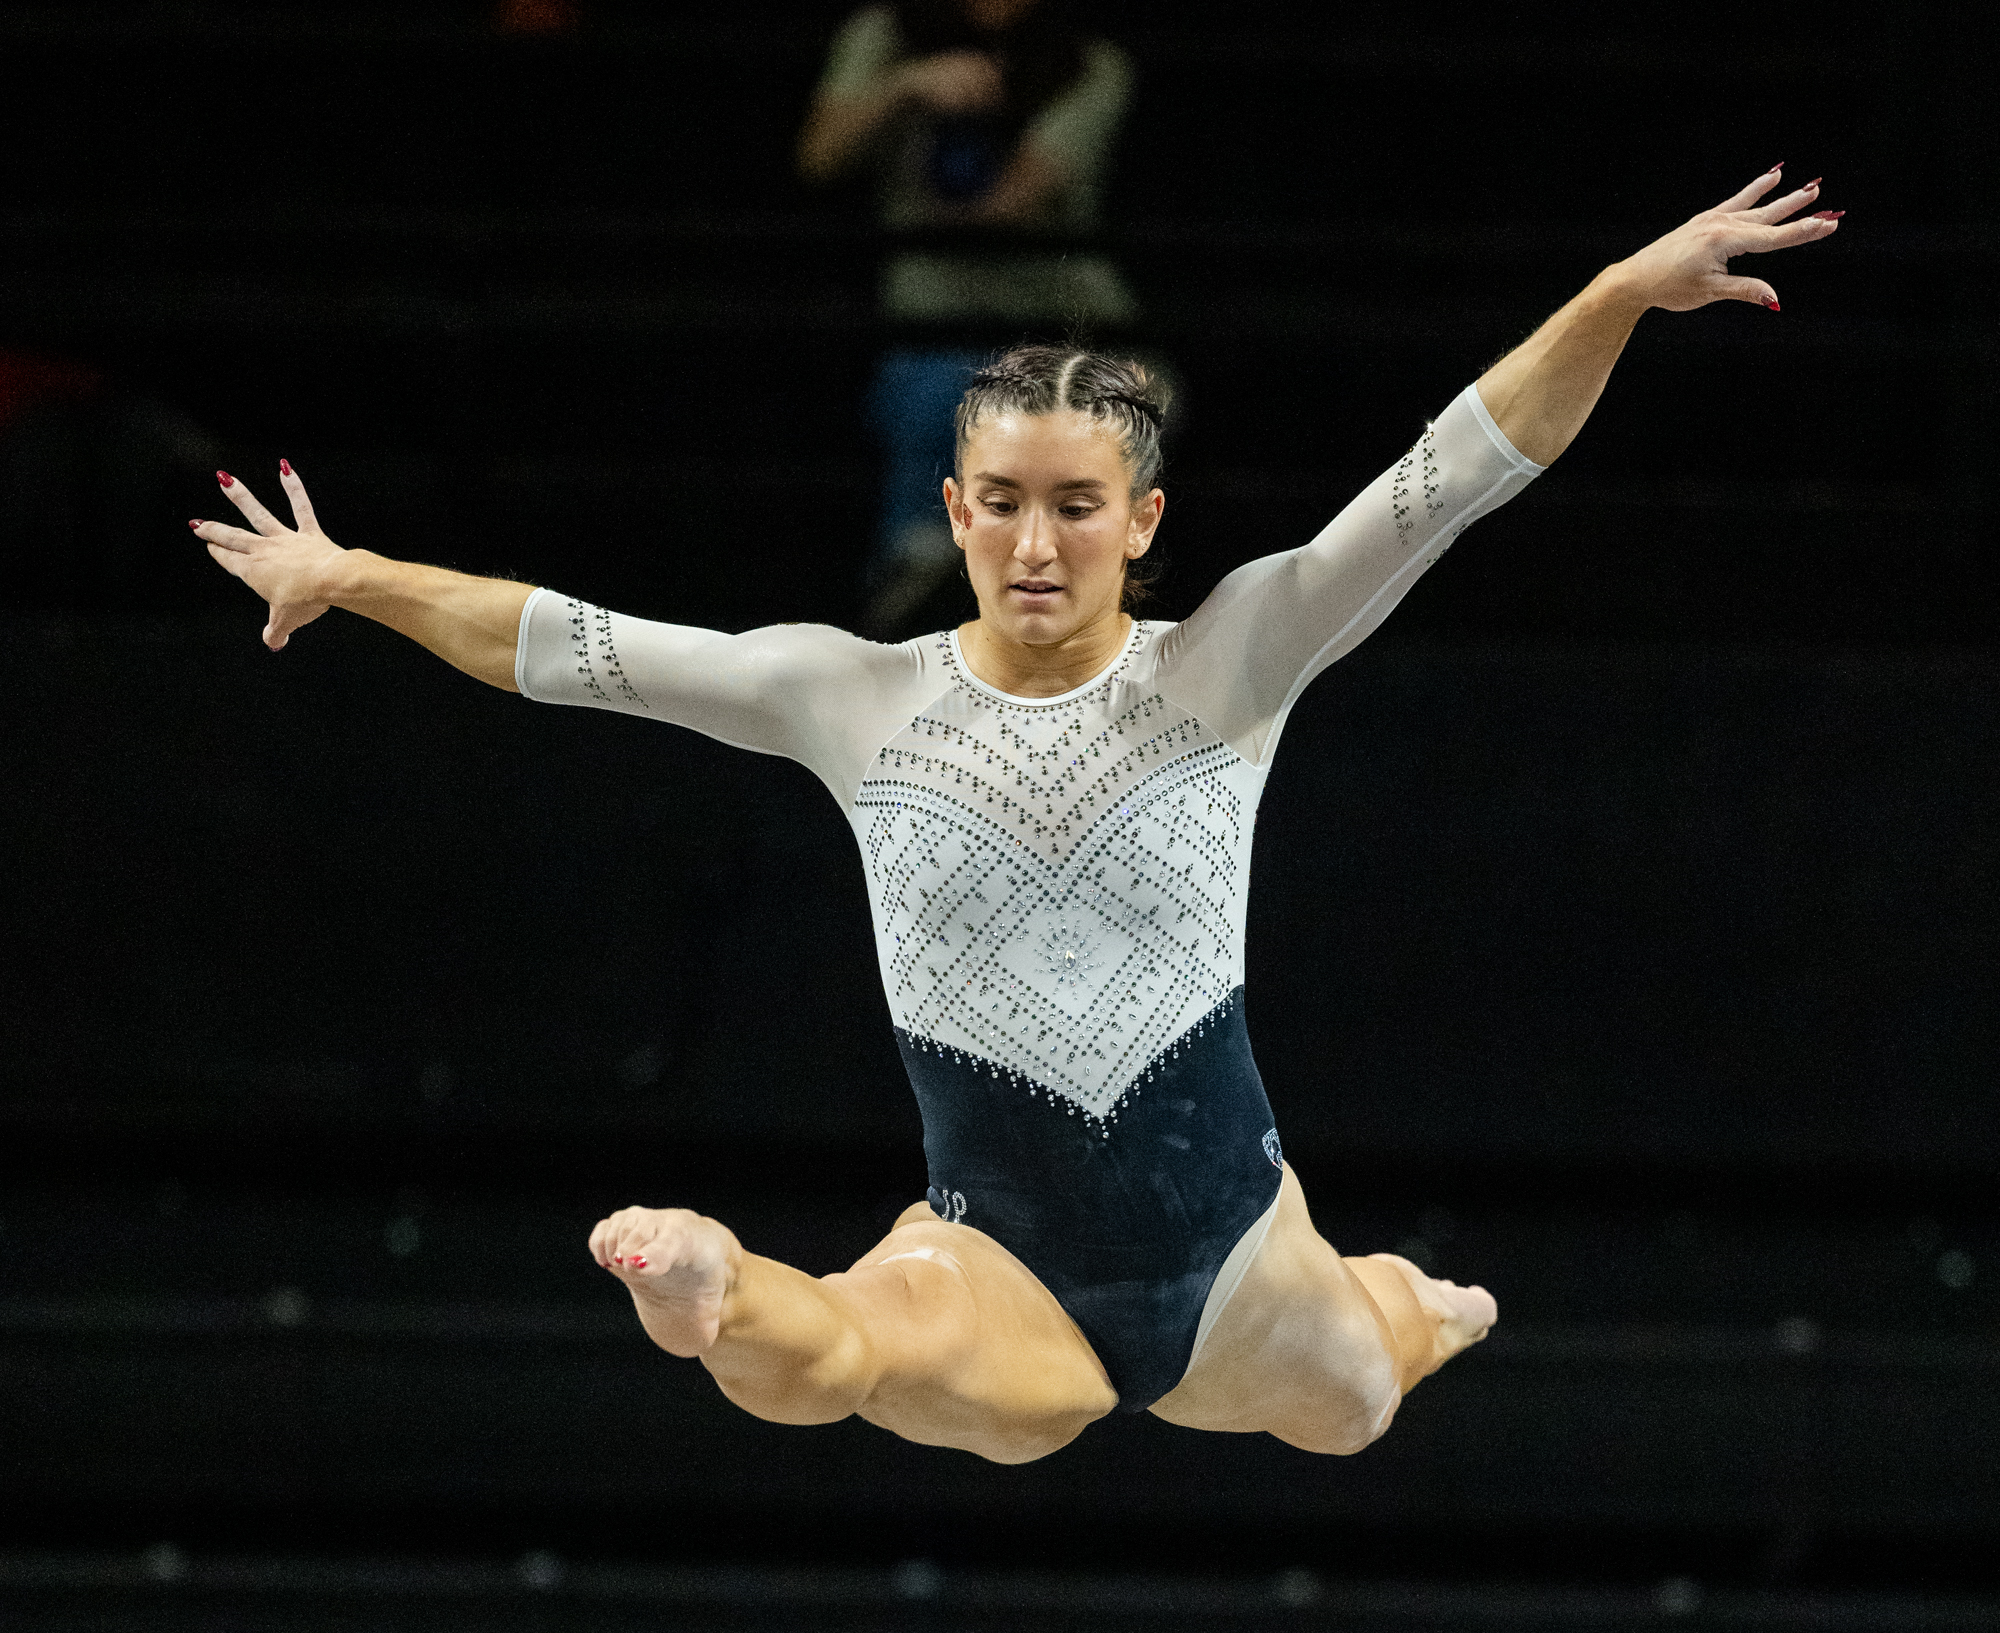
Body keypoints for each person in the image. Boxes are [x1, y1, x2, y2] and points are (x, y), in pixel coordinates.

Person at [190, 169, 1840, 1472]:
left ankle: (1419, 1301)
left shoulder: (1233, 657)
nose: (1035, 542)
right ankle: (703, 1283)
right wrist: (350, 579)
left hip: (1236, 1255)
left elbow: (1452, 472)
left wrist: (1624, 290)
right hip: (1006, 1251)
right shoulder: (846, 693)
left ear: (1144, 520)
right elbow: (566, 646)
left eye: (1074, 506)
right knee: (841, 1357)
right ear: (953, 510)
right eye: (1001, 502)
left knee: (1355, 1400)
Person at [797, 0, 1137, 632]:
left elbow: (1009, 204)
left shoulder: (1091, 63)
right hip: (927, 322)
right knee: (941, 398)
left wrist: (989, 106)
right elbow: (818, 156)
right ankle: (915, 596)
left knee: (1123, 412)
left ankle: (1083, 623)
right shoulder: (884, 35)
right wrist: (905, 88)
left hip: (1064, 320)